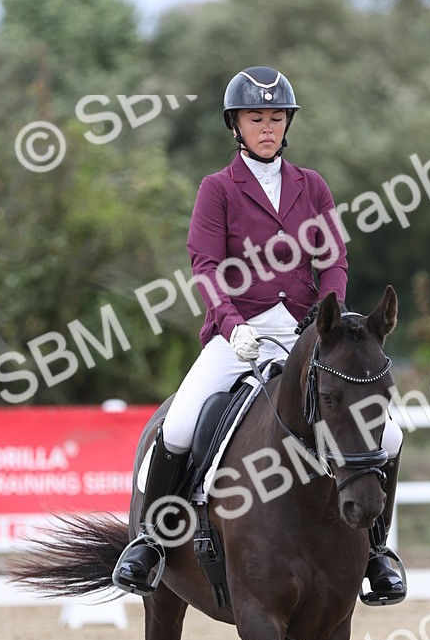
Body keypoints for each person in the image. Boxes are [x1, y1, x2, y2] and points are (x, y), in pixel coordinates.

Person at [113, 65, 405, 602]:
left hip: (306, 331)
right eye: (256, 118)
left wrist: (329, 318)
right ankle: (151, 543)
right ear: (236, 126)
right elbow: (204, 265)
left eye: (275, 117)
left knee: (388, 434)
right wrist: (229, 324)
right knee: (177, 426)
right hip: (238, 332)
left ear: (286, 123)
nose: (267, 127)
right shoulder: (218, 189)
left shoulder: (311, 185)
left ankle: (378, 553)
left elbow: (333, 257)